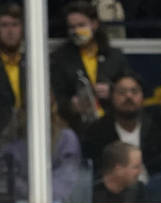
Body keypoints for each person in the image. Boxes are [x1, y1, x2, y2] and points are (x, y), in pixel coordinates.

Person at [49, 1, 130, 137]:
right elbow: (55, 97)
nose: (76, 31)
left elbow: (133, 85)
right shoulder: (59, 59)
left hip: (112, 125)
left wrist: (113, 91)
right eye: (72, 27)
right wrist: (72, 106)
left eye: (81, 25)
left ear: (94, 24)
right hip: (76, 128)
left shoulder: (114, 55)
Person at [81, 71, 161, 180]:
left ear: (142, 96)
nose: (129, 96)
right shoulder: (96, 132)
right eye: (122, 92)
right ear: (111, 96)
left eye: (134, 91)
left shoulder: (160, 126)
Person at [0, 3, 24, 150]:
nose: (10, 31)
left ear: (22, 28)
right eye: (4, 25)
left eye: (15, 24)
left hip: (31, 136)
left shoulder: (34, 64)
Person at [91, 139, 142, 203]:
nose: (140, 172)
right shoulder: (90, 194)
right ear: (119, 170)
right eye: (135, 167)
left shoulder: (140, 190)